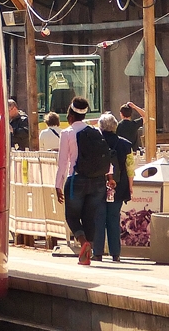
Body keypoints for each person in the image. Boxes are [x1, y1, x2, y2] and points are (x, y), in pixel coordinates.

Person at [54, 96, 110, 266]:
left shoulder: (67, 133)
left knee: (71, 216)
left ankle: (83, 242)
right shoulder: (96, 132)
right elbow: (104, 156)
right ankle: (87, 253)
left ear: (70, 115)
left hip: (76, 180)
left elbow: (63, 162)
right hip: (98, 182)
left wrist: (58, 185)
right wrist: (109, 176)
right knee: (89, 217)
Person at [93, 113, 133, 262]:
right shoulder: (126, 144)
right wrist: (130, 187)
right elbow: (130, 169)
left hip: (98, 185)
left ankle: (97, 252)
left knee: (99, 218)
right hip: (119, 186)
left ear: (101, 127)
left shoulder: (95, 143)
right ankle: (115, 253)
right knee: (114, 218)